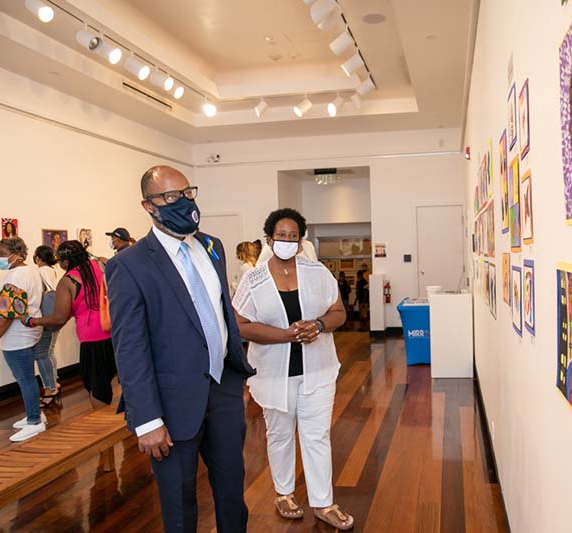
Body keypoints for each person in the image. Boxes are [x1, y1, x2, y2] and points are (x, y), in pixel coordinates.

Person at [105, 165, 255, 533]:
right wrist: (147, 419)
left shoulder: (212, 246)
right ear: (148, 206)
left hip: (223, 390)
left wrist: (236, 373)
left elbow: (219, 312)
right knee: (179, 506)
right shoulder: (129, 265)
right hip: (171, 406)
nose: (184, 202)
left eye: (188, 193)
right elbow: (130, 347)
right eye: (171, 197)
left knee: (233, 496)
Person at [233, 208, 354, 531]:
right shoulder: (253, 279)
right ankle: (284, 494)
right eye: (281, 235)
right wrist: (284, 335)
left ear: (301, 242)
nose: (287, 240)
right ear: (269, 239)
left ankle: (323, 503)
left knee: (317, 435)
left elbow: (338, 312)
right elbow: (240, 324)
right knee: (280, 433)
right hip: (272, 372)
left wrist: (319, 325)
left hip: (318, 369)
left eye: (293, 236)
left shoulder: (317, 273)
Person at [24, 240, 117, 408]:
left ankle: (103, 421)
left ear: (65, 262)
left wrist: (32, 321)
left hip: (92, 339)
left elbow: (60, 317)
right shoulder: (102, 263)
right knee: (119, 380)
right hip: (116, 331)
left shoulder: (68, 281)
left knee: (97, 387)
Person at [0, 237, 46, 441]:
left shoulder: (14, 278)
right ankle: (35, 414)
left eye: (2, 254)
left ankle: (35, 421)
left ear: (16, 255)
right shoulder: (31, 271)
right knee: (28, 378)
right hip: (30, 332)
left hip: (18, 338)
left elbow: (5, 316)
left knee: (25, 380)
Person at [32, 245, 60, 407]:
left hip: (45, 317)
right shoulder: (52, 271)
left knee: (41, 353)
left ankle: (50, 388)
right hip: (55, 315)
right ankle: (54, 382)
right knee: (49, 351)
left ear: (37, 258)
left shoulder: (39, 272)